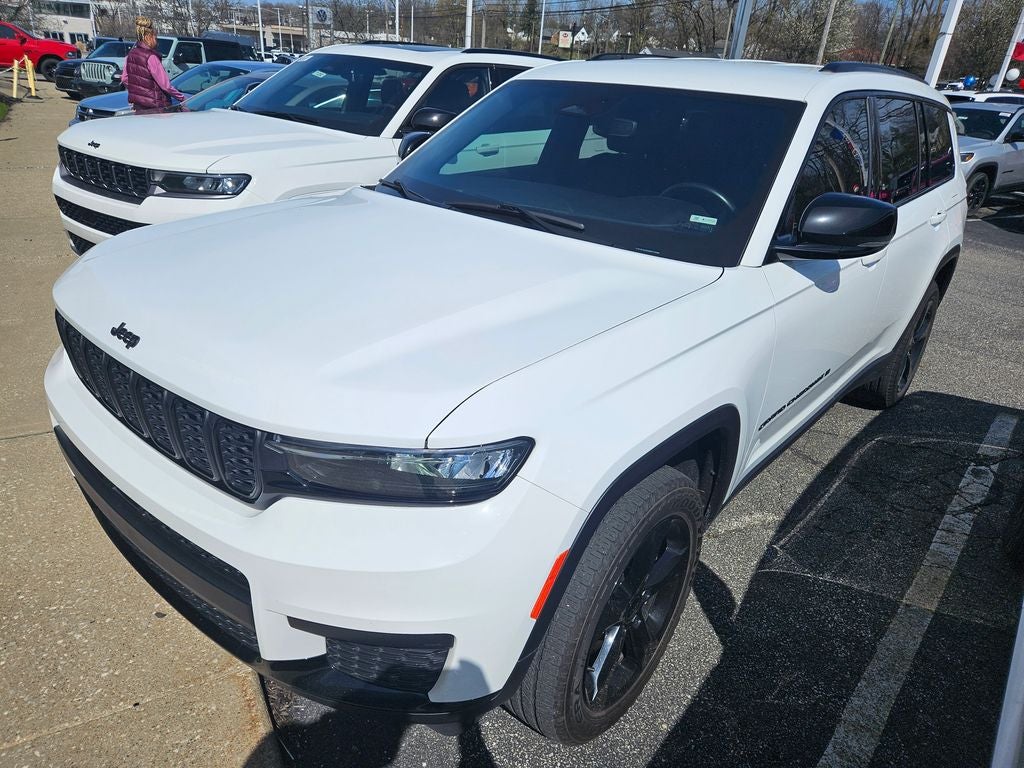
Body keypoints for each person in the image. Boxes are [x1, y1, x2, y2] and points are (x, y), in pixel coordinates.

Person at [119, 17, 185, 112]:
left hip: (139, 106)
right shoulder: (151, 57)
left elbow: (124, 78)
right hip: (157, 106)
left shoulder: (131, 54)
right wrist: (182, 98)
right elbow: (165, 86)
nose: (156, 41)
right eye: (155, 37)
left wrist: (138, 91)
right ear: (149, 37)